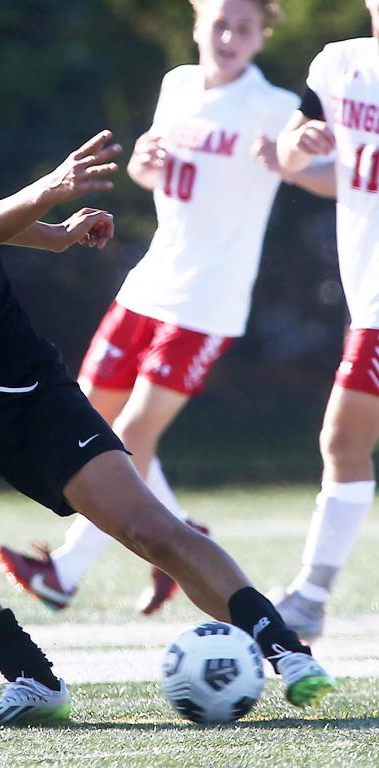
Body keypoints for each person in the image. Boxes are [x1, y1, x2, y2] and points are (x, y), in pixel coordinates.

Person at [0, 30, 334, 726]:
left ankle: (287, 650)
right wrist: (49, 189)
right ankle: (33, 679)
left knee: (151, 530)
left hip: (28, 389)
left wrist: (57, 231)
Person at [0, 0, 334, 616]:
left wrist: (288, 161)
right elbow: (157, 172)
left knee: (132, 436)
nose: (230, 36)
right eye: (220, 23)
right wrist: (145, 169)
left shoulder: (276, 106)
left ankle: (66, 572)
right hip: (148, 282)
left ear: (262, 36)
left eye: (245, 27)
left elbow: (330, 174)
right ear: (198, 24)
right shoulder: (176, 85)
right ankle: (180, 538)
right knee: (90, 418)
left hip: (208, 300)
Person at [273, 0, 379, 639]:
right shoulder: (339, 64)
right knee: (343, 444)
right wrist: (295, 143)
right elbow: (301, 158)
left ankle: (309, 599)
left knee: (342, 439)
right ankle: (310, 598)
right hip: (366, 296)